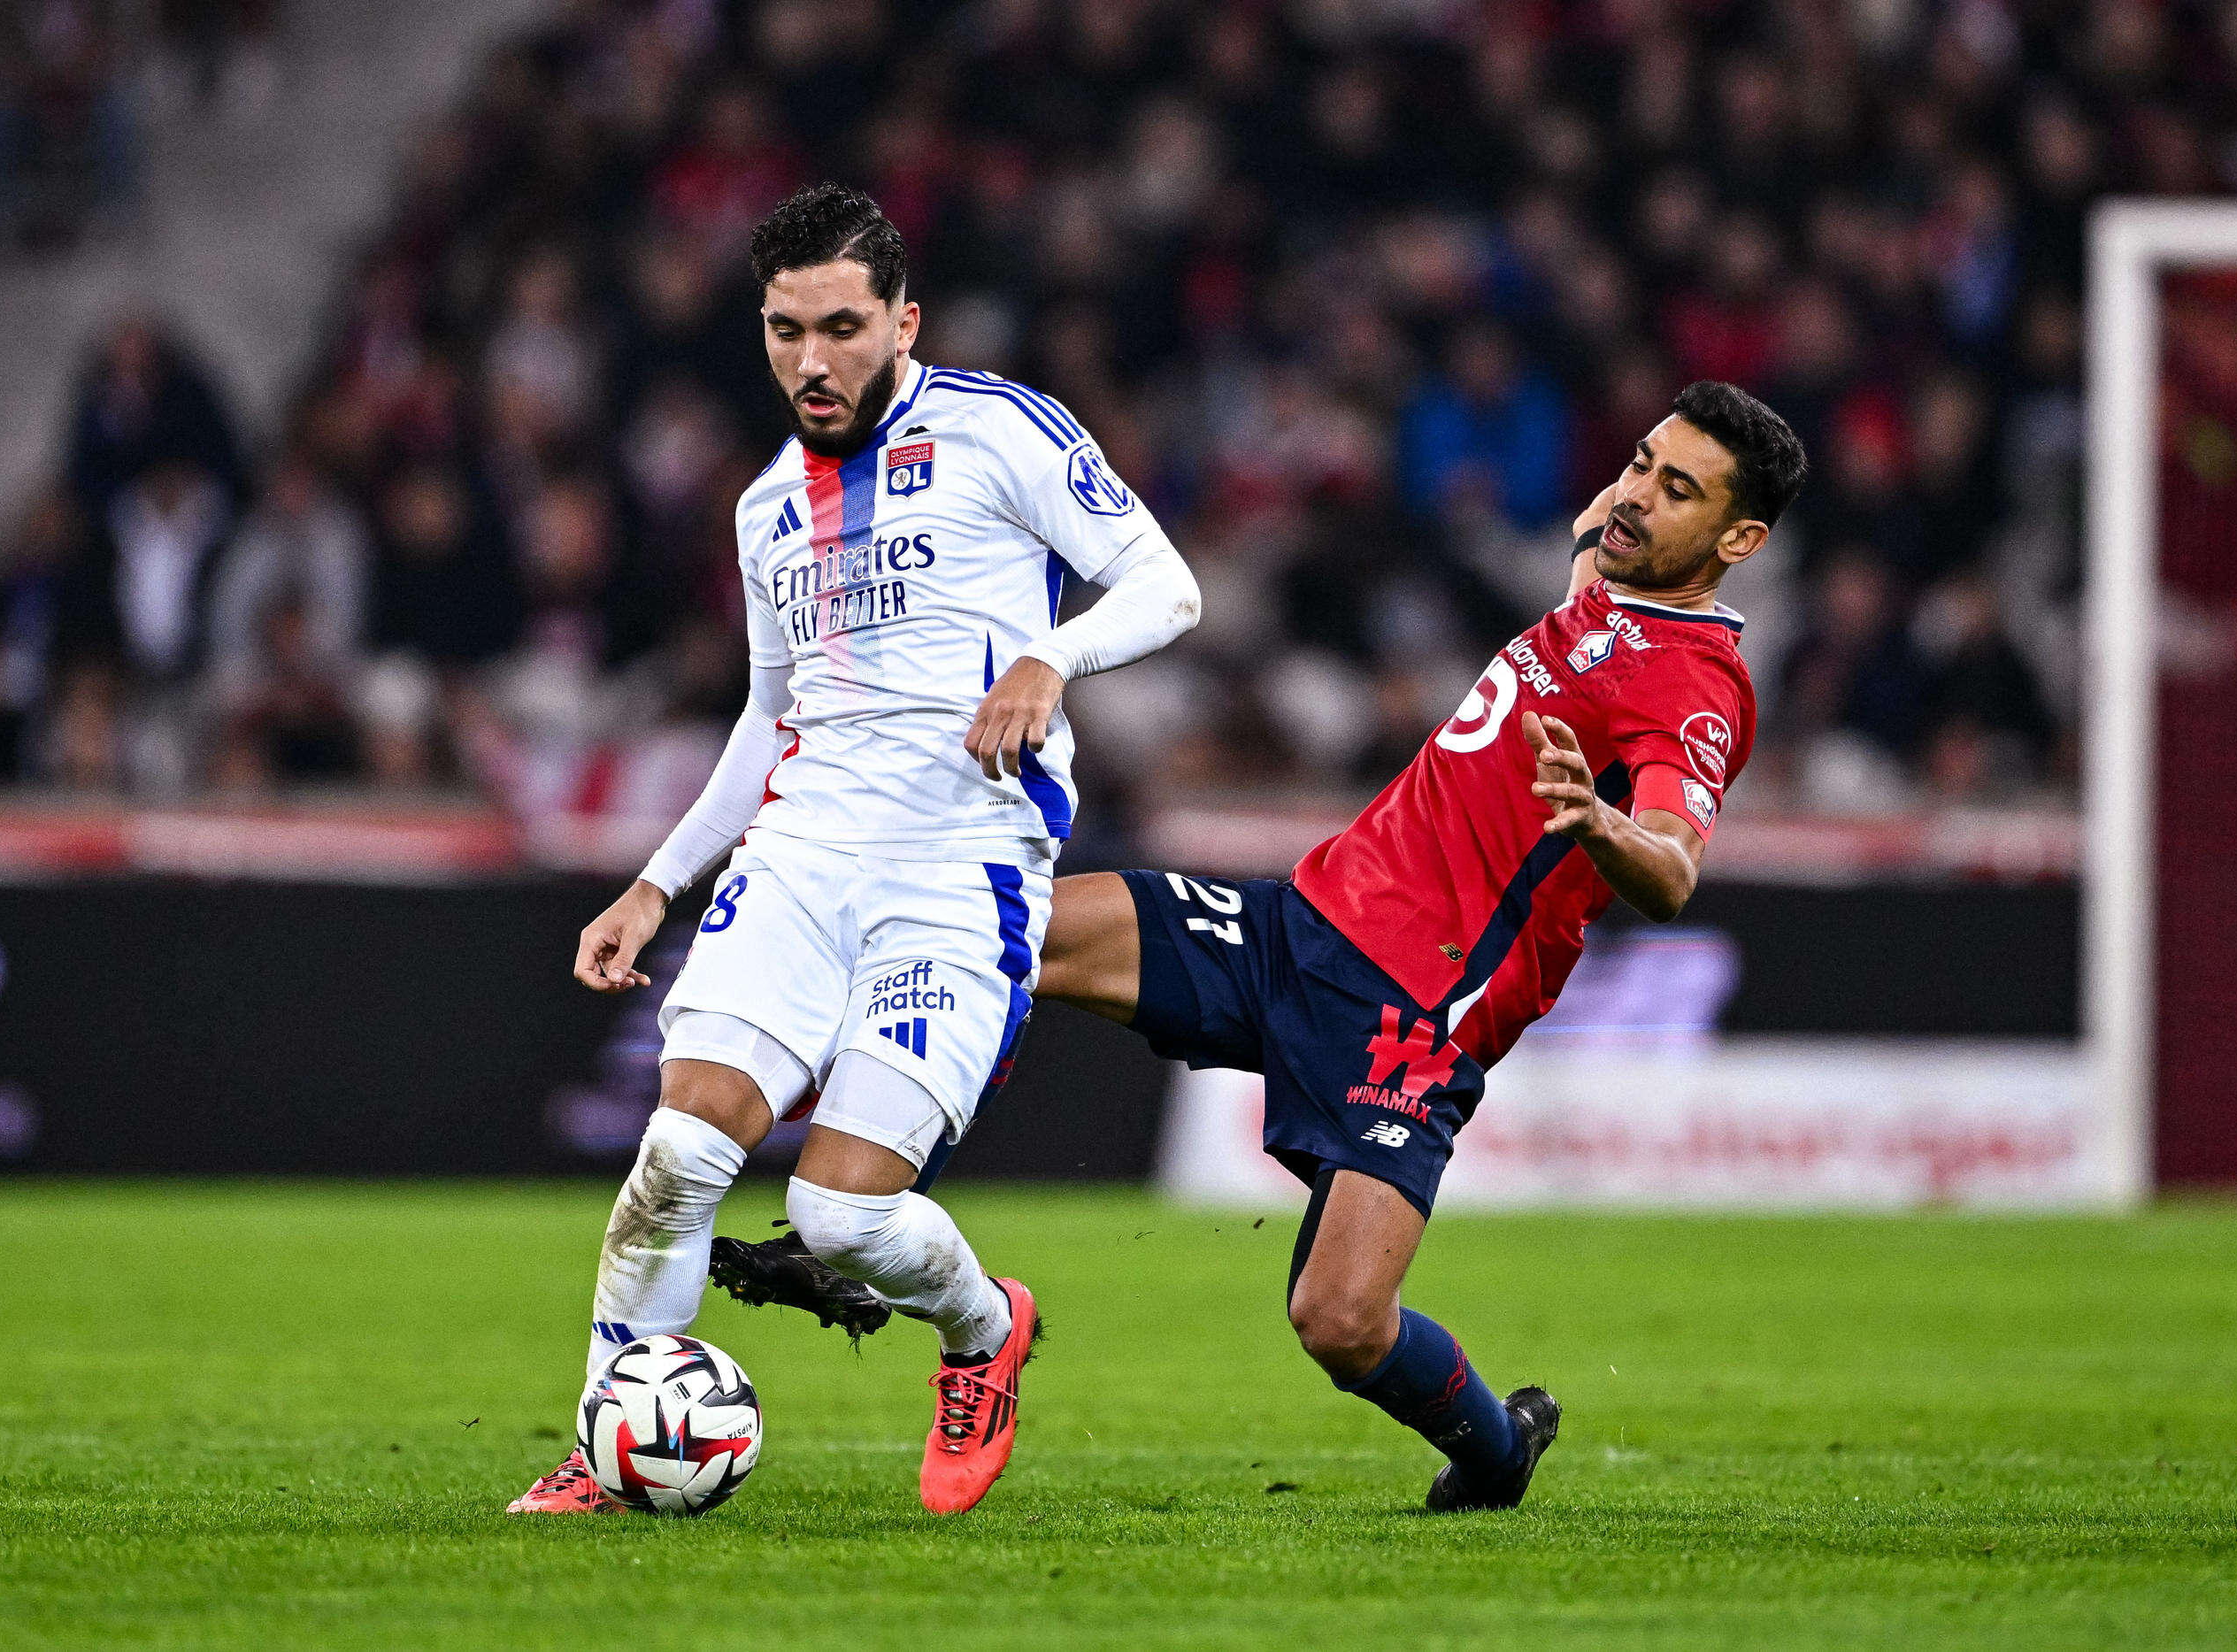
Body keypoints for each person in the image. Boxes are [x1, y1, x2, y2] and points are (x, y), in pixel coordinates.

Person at [718, 381, 1807, 1512]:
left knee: (1338, 1322)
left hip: (1411, 1019)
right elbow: (1601, 527)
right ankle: (869, 1236)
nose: (1633, 495)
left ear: (1739, 541)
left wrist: (1600, 822)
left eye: (1675, 489)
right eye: (1638, 461)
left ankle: (1495, 1450)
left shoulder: (1695, 684)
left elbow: (1674, 867)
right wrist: (1621, 515)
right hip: (1294, 928)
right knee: (992, 935)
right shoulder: (1606, 570)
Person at [506, 184, 1203, 1517]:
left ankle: (985, 1328)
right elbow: (770, 719)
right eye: (783, 331)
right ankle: (608, 1439)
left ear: (903, 320)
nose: (811, 362)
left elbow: (1167, 583)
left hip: (963, 860)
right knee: (679, 1153)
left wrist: (1052, 657)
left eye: (839, 326)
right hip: (804, 848)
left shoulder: (1001, 429)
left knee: (839, 1221)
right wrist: (656, 881)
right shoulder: (768, 507)